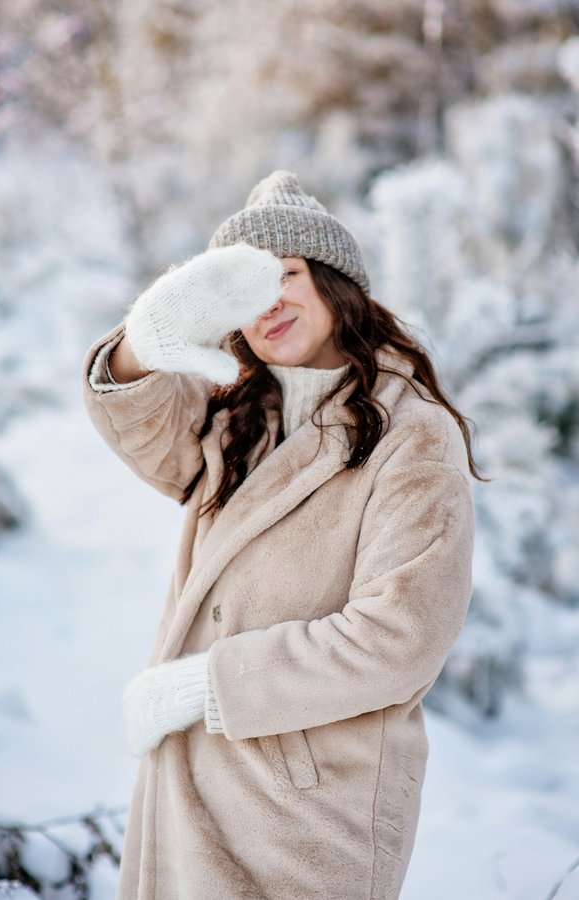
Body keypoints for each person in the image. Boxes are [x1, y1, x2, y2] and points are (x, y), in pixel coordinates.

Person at [82, 170, 476, 900]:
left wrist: (211, 683)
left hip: (304, 812)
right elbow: (140, 422)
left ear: (335, 284)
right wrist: (144, 342)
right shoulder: (242, 421)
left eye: (286, 275)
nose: (270, 303)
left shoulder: (412, 436)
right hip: (194, 784)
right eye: (245, 289)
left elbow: (400, 636)